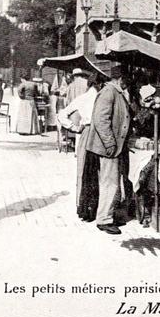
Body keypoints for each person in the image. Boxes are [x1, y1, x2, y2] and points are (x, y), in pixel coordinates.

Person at [87, 65, 131, 235]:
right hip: (109, 148)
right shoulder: (109, 92)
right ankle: (104, 219)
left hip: (115, 147)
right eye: (126, 79)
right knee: (109, 183)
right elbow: (100, 120)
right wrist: (110, 143)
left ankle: (110, 215)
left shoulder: (117, 92)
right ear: (121, 79)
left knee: (113, 183)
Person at [57, 72, 106, 220]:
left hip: (86, 132)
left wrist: (73, 127)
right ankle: (98, 207)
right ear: (98, 85)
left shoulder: (82, 98)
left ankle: (83, 206)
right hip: (100, 134)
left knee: (84, 170)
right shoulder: (100, 98)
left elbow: (61, 114)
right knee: (100, 172)